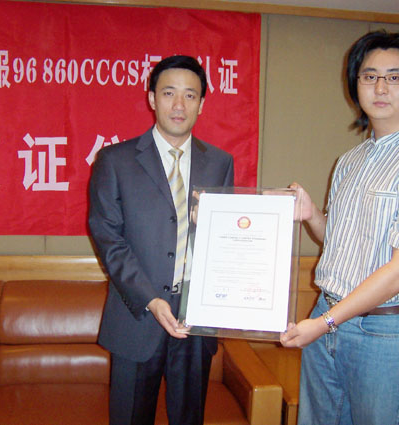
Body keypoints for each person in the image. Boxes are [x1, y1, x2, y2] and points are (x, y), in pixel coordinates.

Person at [280, 30, 399, 425]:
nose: (380, 87)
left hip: (384, 331)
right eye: (369, 76)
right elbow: (338, 242)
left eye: (395, 77)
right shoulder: (351, 160)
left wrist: (325, 323)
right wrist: (312, 214)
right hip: (327, 313)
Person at [88, 55, 234, 425]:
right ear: (152, 98)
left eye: (190, 95)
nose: (179, 105)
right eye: (169, 93)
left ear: (202, 103)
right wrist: (152, 300)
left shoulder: (220, 163)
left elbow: (225, 239)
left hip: (195, 322)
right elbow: (108, 238)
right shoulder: (115, 161)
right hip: (137, 317)